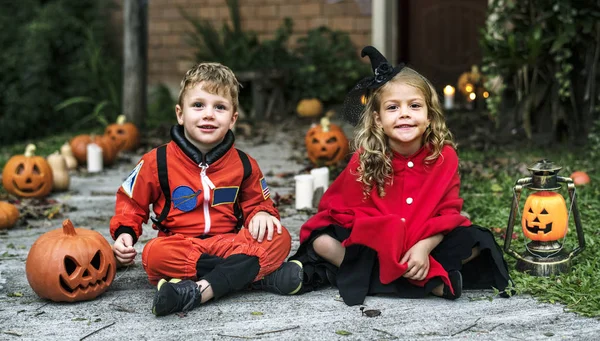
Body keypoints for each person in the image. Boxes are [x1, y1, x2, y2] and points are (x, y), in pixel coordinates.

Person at [289, 46, 511, 306]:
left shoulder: (444, 156)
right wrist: (386, 235)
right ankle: (428, 283)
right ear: (378, 120)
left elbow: (448, 213)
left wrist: (423, 247)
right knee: (322, 241)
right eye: (393, 107)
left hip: (425, 239)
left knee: (478, 241)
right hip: (376, 244)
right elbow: (342, 209)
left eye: (414, 106)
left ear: (429, 117)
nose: (404, 113)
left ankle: (380, 279)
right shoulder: (367, 156)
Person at [109, 62, 303, 316]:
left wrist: (262, 214)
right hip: (180, 244)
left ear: (233, 118)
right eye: (198, 105)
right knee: (154, 254)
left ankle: (197, 290)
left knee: (279, 238)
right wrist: (125, 233)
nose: (209, 114)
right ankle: (255, 277)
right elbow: (131, 201)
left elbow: (258, 202)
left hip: (229, 242)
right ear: (180, 113)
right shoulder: (156, 162)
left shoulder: (244, 165)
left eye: (219, 107)